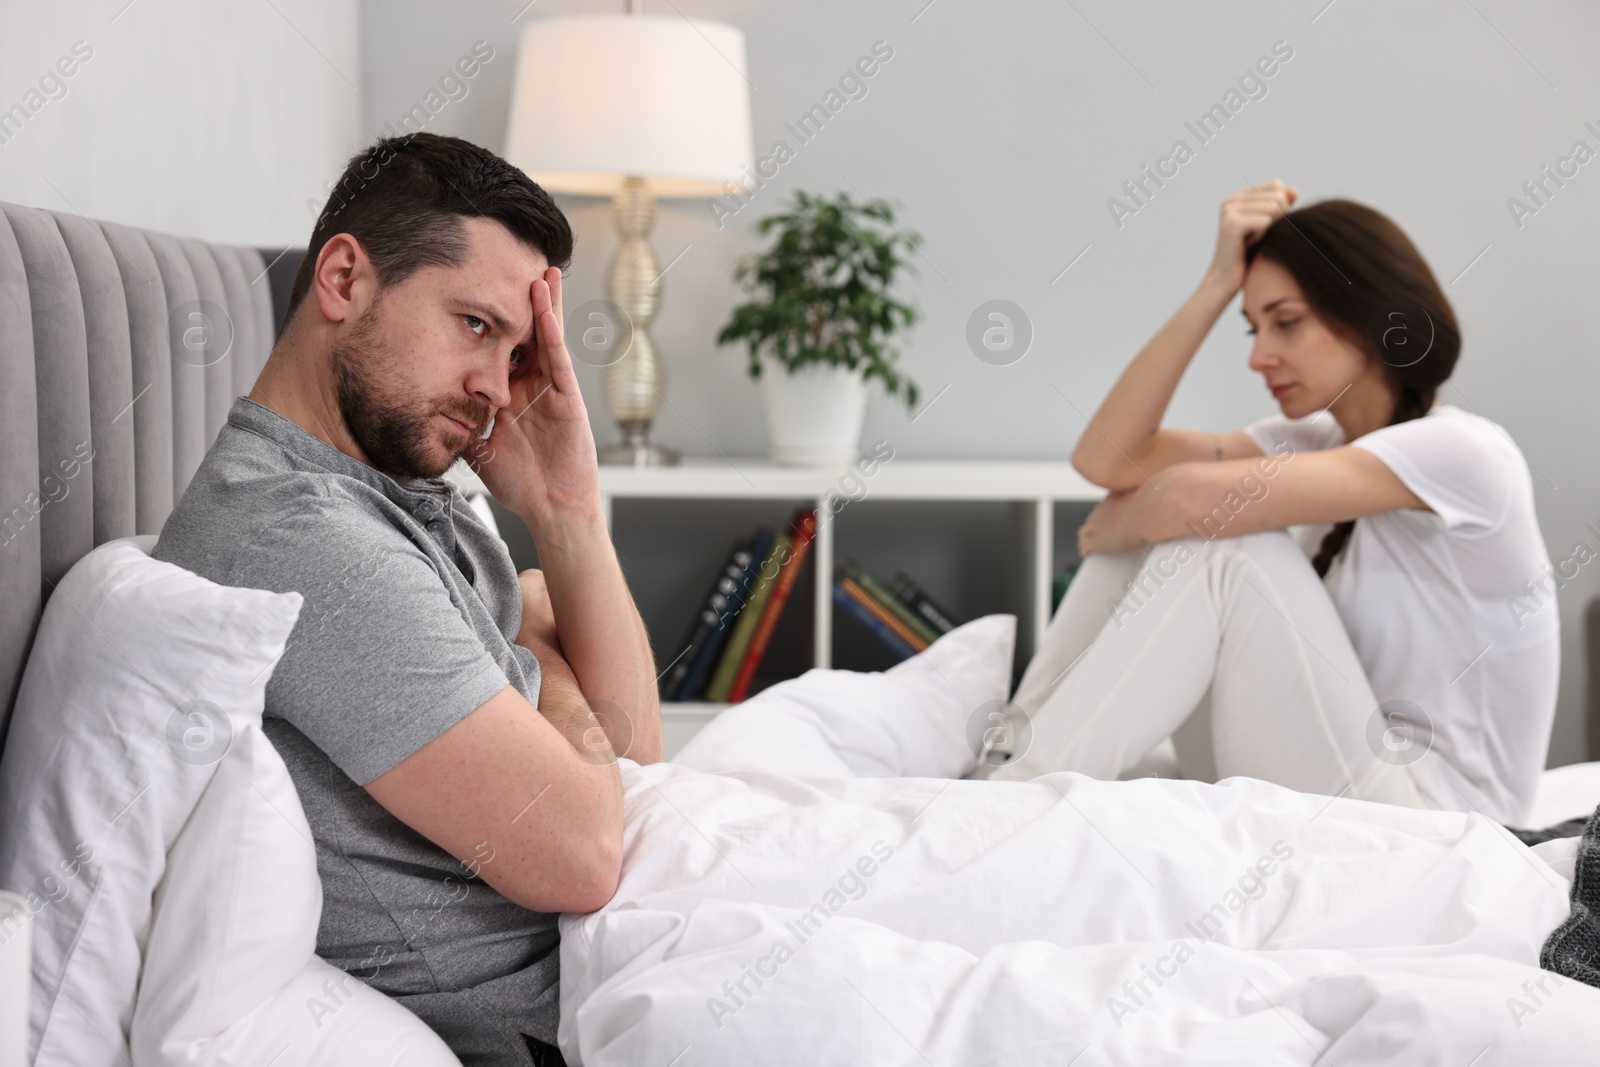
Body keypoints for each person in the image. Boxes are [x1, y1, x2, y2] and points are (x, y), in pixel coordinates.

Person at [154, 132, 659, 1067]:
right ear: (343, 278)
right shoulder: (300, 535)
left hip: (644, 946)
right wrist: (541, 649)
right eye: (475, 324)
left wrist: (569, 513)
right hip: (574, 1017)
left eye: (515, 350)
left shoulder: (407, 492)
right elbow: (586, 848)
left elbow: (637, 755)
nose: (495, 392)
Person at [986, 181, 1558, 827]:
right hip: (1343, 777)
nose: (1260, 356)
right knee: (1136, 781)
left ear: (1372, 314)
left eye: (1286, 321)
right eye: (1253, 327)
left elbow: (1182, 497)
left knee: (1229, 540)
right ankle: (1009, 763)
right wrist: (1213, 285)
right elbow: (1106, 457)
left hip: (1436, 820)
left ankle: (1014, 805)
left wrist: (1130, 516)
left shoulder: (1466, 452)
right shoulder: (1313, 441)